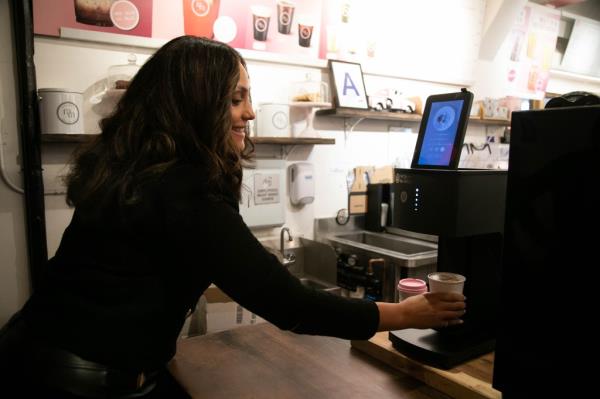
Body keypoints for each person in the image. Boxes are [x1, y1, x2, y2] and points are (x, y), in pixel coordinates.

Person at [0, 36, 466, 398]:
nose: (248, 113)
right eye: (235, 99)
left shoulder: (132, 168)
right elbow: (291, 305)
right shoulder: (185, 188)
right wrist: (403, 314)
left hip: (32, 354)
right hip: (82, 383)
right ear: (196, 106)